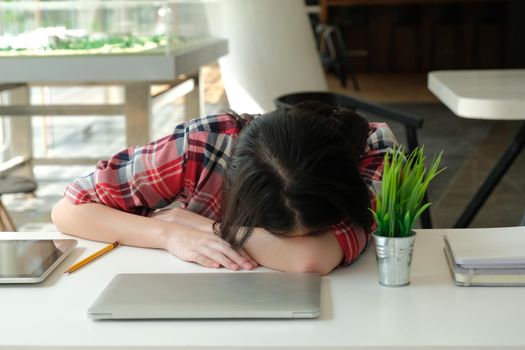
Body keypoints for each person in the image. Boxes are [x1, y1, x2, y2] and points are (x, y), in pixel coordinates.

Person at [51, 101, 395, 275]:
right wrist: (166, 235)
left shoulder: (372, 148)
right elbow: (69, 210)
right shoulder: (204, 145)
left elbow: (309, 258)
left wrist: (196, 225)